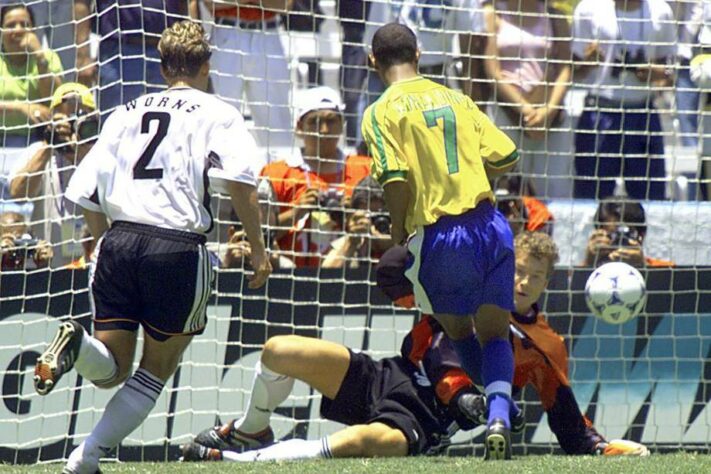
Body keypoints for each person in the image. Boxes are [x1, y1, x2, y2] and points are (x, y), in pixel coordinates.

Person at [32, 20, 272, 473]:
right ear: (207, 65)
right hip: (177, 246)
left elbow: (82, 191)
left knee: (111, 368)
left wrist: (106, 244)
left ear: (163, 69)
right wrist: (258, 248)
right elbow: (241, 181)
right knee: (154, 368)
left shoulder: (124, 111)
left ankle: (78, 347)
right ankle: (87, 456)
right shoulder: (219, 112)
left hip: (118, 240)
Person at [179, 233, 649, 463]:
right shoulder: (465, 289)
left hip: (424, 418)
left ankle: (239, 462)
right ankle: (251, 431)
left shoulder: (546, 345)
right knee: (279, 350)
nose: (523, 282)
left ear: (550, 282)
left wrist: (605, 448)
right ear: (505, 264)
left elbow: (569, 424)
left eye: (536, 277)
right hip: (389, 375)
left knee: (361, 443)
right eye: (519, 270)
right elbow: (391, 279)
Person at [361, 23, 520, 459]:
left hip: (440, 235)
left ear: (371, 61)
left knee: (457, 331)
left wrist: (398, 227)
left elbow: (394, 175)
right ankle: (501, 412)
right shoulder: (456, 97)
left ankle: (498, 404)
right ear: (418, 51)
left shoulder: (380, 111)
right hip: (490, 223)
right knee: (495, 335)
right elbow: (506, 154)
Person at [571, 0, 676, 200]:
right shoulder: (588, 8)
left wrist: (655, 73)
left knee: (650, 197)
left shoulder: (661, 10)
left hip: (643, 112)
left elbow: (671, 69)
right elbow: (572, 69)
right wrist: (589, 62)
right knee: (591, 195)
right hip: (600, 111)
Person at [261, 86, 371, 267]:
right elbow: (258, 234)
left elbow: (388, 230)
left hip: (353, 272)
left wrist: (353, 217)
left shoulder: (364, 168)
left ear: (343, 124)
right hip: (289, 273)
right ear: (299, 126)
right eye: (314, 121)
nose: (324, 130)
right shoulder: (277, 173)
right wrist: (297, 212)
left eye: (331, 120)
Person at [481, 0, 573, 198]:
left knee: (552, 189)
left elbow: (565, 68)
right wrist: (526, 110)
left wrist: (548, 111)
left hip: (550, 117)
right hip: (507, 114)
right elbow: (492, 71)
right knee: (507, 187)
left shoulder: (555, 17)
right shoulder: (493, 13)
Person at [9, 82, 99, 267]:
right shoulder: (38, 151)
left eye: (77, 116)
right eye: (63, 116)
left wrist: (77, 153)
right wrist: (50, 144)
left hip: (90, 260)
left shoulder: (102, 153)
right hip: (47, 261)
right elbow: (18, 194)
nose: (69, 124)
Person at [190, 0, 293, 149]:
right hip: (227, 32)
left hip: (268, 33)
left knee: (276, 121)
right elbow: (211, 2)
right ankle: (219, 168)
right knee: (221, 115)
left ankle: (280, 170)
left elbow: (285, 4)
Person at [95, 0, 189, 114]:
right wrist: (82, 55)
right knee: (115, 117)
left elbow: (188, 3)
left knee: (171, 115)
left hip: (168, 51)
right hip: (121, 51)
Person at [0, 3, 63, 147]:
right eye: (10, 25)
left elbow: (57, 103)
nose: (18, 30)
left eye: (24, 24)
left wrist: (39, 57)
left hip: (39, 140)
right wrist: (21, 108)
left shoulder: (48, 57)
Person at [321, 176, 393, 269]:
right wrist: (351, 244)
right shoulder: (346, 244)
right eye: (368, 218)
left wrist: (388, 242)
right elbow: (326, 278)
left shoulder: (409, 244)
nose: (374, 225)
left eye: (380, 218)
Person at [583, 199, 674, 268]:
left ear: (641, 235)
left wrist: (643, 267)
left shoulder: (666, 270)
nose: (619, 243)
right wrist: (589, 264)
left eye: (626, 235)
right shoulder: (584, 270)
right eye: (612, 236)